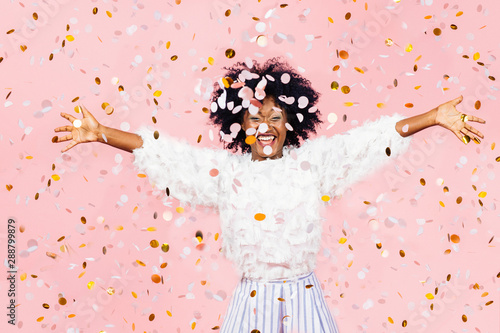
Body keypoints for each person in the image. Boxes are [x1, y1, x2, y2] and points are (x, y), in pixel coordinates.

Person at [53, 58, 485, 332]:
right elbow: (164, 154)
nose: (266, 126)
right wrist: (102, 133)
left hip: (304, 301)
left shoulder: (312, 164)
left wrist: (431, 117)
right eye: (255, 117)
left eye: (276, 116)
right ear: (238, 126)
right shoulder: (225, 173)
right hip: (251, 302)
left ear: (290, 123)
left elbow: (370, 140)